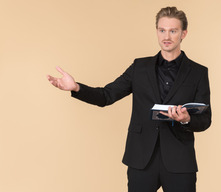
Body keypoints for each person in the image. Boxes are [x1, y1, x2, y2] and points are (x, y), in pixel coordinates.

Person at [47, 6, 211, 192]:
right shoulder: (139, 67)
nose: (166, 36)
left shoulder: (198, 72)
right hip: (141, 159)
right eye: (162, 30)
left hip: (180, 161)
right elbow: (106, 96)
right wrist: (76, 87)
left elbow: (205, 120)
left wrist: (186, 119)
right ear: (156, 31)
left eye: (173, 31)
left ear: (183, 34)